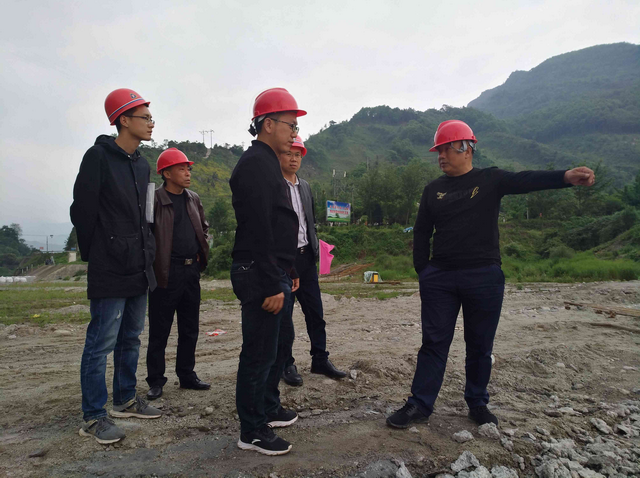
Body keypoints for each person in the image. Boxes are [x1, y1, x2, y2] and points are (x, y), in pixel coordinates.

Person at [386, 120, 595, 429]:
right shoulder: (433, 190)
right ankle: (419, 404)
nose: (441, 156)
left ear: (466, 148)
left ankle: (477, 403)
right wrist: (424, 270)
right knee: (433, 344)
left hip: (483, 277)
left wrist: (565, 177)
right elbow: (421, 231)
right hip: (440, 278)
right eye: (438, 151)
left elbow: (526, 180)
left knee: (480, 345)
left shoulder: (490, 179)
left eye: (446, 149)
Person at [71, 88, 161, 444]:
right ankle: (93, 416)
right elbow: (82, 211)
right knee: (101, 342)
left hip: (139, 264)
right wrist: (102, 250)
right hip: (110, 266)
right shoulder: (97, 157)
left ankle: (125, 399)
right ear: (124, 119)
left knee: (131, 338)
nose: (151, 123)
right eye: (145, 117)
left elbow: (146, 215)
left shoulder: (142, 163)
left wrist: (147, 249)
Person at [230, 87, 305, 456]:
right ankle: (252, 430)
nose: (294, 133)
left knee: (275, 346)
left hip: (274, 269)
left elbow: (277, 225)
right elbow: (259, 228)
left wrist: (288, 268)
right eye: (290, 125)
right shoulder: (256, 164)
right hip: (260, 272)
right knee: (258, 353)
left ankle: (267, 409)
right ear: (268, 124)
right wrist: (272, 280)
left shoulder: (267, 162)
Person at [277, 136, 346, 387]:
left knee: (316, 313)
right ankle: (286, 363)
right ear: (279, 155)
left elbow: (310, 222)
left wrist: (314, 251)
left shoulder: (305, 186)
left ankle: (320, 359)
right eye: (289, 153)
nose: (294, 159)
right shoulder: (273, 186)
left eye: (298, 154)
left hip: (306, 258)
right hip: (284, 260)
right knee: (285, 317)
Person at [146, 148, 211, 400]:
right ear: (166, 173)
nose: (187, 173)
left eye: (188, 168)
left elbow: (203, 227)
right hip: (165, 272)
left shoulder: (193, 198)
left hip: (190, 270)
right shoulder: (155, 199)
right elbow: (146, 235)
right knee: (159, 331)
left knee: (189, 328)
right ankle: (155, 380)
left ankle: (186, 375)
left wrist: (200, 254)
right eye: (182, 169)